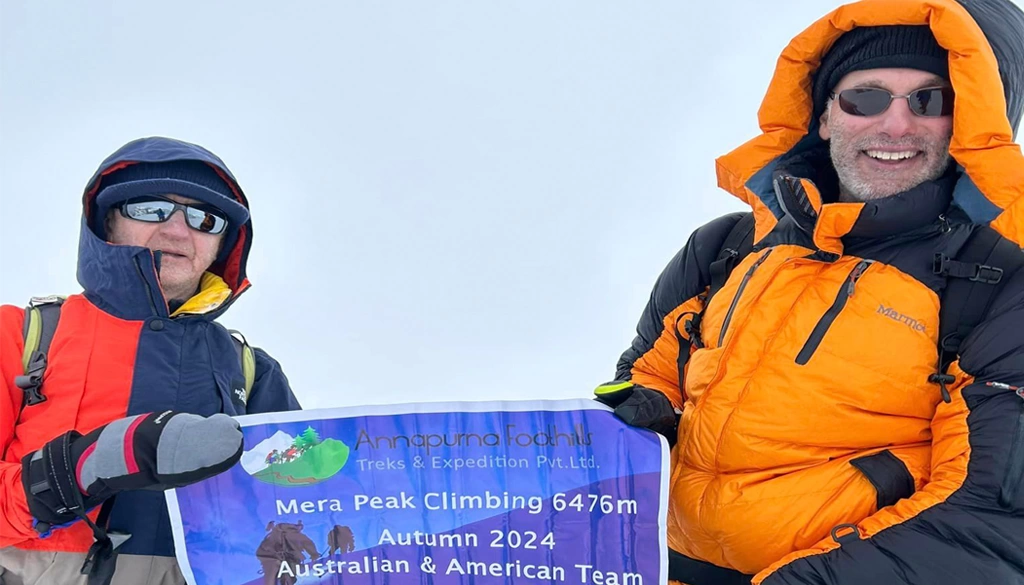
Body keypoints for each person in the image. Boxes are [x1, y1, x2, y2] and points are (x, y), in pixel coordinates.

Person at [596, 0, 1024, 583]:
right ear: (824, 117)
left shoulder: (1002, 280)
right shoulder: (725, 247)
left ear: (971, 122)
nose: (895, 125)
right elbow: (649, 377)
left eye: (931, 100)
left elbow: (987, 517)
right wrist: (639, 420)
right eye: (865, 97)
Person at [0, 136, 301, 585]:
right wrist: (83, 468)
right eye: (151, 208)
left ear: (223, 246)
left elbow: (304, 507)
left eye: (205, 219)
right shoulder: (22, 336)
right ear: (107, 221)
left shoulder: (252, 371)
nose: (179, 231)